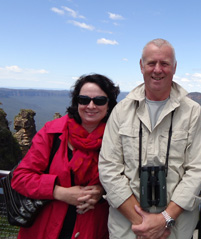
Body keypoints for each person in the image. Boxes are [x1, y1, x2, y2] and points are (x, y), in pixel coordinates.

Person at [98, 38, 201, 239]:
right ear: (141, 66)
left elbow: (196, 169)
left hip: (175, 230)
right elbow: (108, 167)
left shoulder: (192, 112)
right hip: (128, 229)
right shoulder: (121, 111)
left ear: (174, 67)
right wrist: (143, 223)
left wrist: (165, 218)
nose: (158, 69)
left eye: (164, 63)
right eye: (151, 63)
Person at [11, 74, 120, 239]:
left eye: (99, 100)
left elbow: (126, 179)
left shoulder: (118, 138)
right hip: (46, 228)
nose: (91, 106)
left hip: (93, 229)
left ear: (109, 105)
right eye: (84, 99)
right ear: (76, 102)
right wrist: (59, 192)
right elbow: (20, 178)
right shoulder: (52, 132)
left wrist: (102, 192)